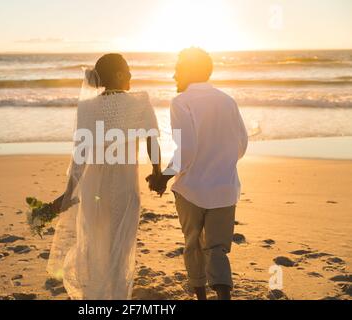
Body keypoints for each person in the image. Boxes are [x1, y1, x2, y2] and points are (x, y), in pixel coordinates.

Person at [48, 53, 162, 300]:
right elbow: (152, 140)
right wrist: (156, 172)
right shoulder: (140, 102)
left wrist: (71, 191)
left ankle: (97, 296)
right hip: (124, 185)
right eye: (128, 70)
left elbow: (80, 154)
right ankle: (117, 294)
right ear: (120, 74)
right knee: (120, 246)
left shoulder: (88, 107)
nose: (131, 75)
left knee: (95, 243)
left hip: (93, 187)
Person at [148, 48, 248, 300]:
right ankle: (224, 297)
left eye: (178, 69)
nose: (173, 76)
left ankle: (201, 297)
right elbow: (242, 144)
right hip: (225, 189)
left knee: (193, 244)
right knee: (217, 248)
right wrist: (220, 165)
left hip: (192, 189)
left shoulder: (181, 102)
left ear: (189, 72)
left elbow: (187, 150)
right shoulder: (227, 100)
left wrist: (164, 176)